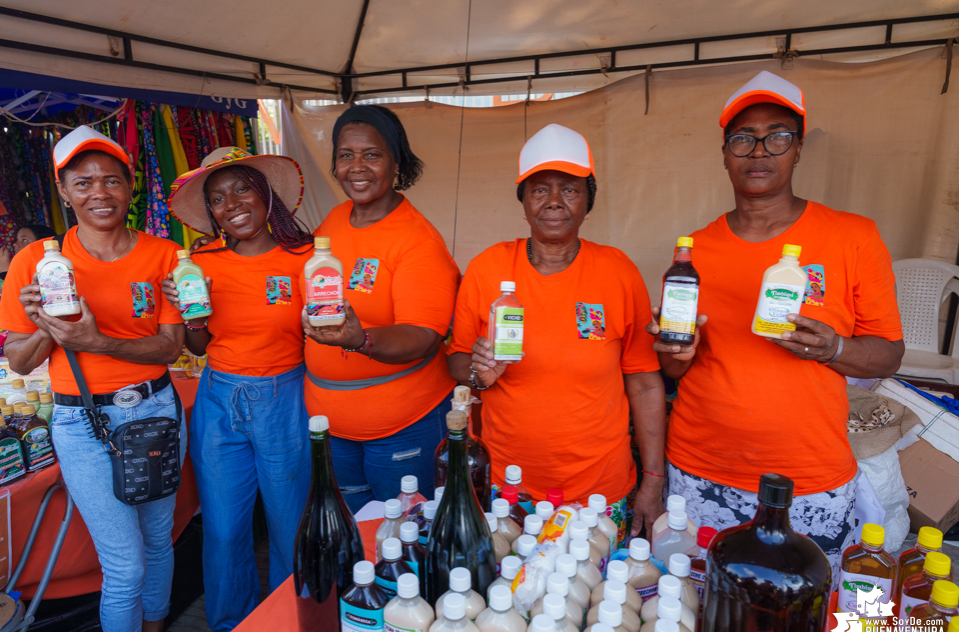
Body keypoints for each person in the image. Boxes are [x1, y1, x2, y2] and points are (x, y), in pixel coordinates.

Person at [647, 71, 904, 568]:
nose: (759, 151)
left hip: (809, 477)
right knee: (701, 611)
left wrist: (833, 349)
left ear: (799, 148)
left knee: (799, 624)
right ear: (725, 155)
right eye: (743, 139)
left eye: (777, 136)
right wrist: (676, 354)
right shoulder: (694, 250)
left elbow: (888, 353)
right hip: (701, 469)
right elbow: (676, 371)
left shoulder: (853, 237)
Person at [0, 126, 191, 632]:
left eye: (111, 180)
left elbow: (172, 347)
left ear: (131, 187)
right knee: (125, 565)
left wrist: (95, 340)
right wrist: (43, 326)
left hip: (153, 409)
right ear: (63, 190)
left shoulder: (165, 254)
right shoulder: (37, 261)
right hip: (82, 424)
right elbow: (20, 359)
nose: (98, 193)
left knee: (159, 540)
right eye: (82, 183)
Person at [447, 124, 666, 545]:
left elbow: (643, 381)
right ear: (523, 200)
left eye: (569, 189)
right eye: (539, 189)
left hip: (600, 490)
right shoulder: (487, 269)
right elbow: (455, 362)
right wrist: (477, 370)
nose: (553, 202)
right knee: (508, 599)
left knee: (602, 602)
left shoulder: (618, 271)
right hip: (507, 487)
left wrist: (653, 480)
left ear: (588, 200)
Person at [162, 147, 313, 632]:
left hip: (286, 398)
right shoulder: (201, 263)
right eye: (218, 198)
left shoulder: (307, 257)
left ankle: (294, 622)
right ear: (212, 213)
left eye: (242, 189)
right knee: (225, 529)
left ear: (265, 194)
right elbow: (200, 346)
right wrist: (192, 318)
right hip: (219, 398)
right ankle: (234, 629)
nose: (232, 205)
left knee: (291, 523)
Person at [301, 105, 459, 514]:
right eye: (345, 154)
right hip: (332, 428)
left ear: (396, 162)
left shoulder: (416, 240)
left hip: (401, 430)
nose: (357, 166)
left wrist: (361, 339)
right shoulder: (333, 223)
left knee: (404, 540)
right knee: (354, 538)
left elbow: (423, 336)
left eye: (371, 154)